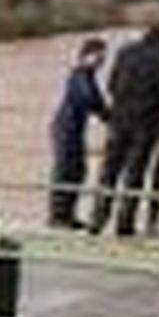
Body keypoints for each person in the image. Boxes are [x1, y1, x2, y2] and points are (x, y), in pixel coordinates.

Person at [88, 11, 159, 238]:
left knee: (108, 172)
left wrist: (120, 108)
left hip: (119, 121)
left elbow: (112, 84)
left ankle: (97, 219)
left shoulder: (125, 53)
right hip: (146, 126)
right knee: (134, 175)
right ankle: (124, 224)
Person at [46, 36, 108, 226]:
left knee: (77, 170)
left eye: (103, 56)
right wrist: (107, 115)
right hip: (66, 128)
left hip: (73, 128)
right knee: (67, 170)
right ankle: (58, 216)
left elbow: (96, 102)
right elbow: (90, 98)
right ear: (86, 55)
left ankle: (66, 213)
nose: (102, 60)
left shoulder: (87, 75)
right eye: (99, 55)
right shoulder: (80, 74)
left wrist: (108, 116)